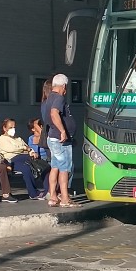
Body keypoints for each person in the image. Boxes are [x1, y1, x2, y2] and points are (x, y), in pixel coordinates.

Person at [42, 74, 81, 208]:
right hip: (61, 139)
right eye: (66, 87)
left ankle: (53, 196)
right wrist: (63, 131)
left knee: (55, 167)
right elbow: (54, 113)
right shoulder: (58, 97)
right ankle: (65, 198)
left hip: (53, 138)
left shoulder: (49, 98)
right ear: (64, 86)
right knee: (65, 168)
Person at [0, 118, 45, 200]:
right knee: (35, 163)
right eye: (10, 127)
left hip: (24, 159)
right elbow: (11, 149)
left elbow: (28, 147)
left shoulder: (18, 138)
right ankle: (34, 193)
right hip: (11, 160)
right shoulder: (2, 139)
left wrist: (31, 152)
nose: (13, 129)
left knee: (27, 168)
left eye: (14, 127)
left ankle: (34, 192)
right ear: (5, 128)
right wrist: (24, 148)